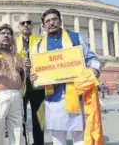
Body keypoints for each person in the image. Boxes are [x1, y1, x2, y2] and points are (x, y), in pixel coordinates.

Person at [30, 9, 101, 145]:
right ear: (44, 26)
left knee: (79, 137)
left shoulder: (75, 38)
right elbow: (37, 73)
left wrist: (95, 70)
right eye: (47, 21)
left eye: (54, 19)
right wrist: (35, 77)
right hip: (53, 98)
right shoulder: (39, 46)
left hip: (77, 95)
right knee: (58, 138)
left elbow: (91, 58)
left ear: (60, 21)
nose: (51, 23)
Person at [15, 14, 44, 145]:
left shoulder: (41, 41)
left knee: (39, 118)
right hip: (20, 84)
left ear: (32, 25)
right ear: (19, 27)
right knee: (21, 118)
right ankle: (23, 142)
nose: (26, 25)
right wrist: (21, 66)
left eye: (28, 22)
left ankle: (39, 143)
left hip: (37, 84)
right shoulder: (13, 44)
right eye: (23, 23)